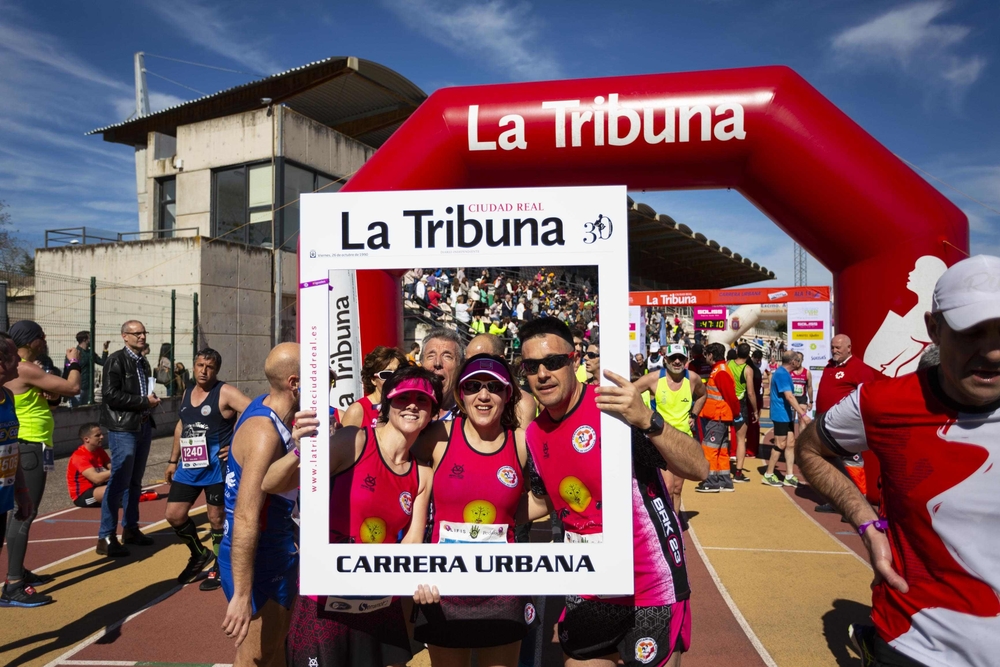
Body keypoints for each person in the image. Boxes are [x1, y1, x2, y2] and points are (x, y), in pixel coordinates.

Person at [797, 254, 1000, 667]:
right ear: (934, 330)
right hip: (915, 645)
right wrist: (868, 524)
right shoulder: (883, 404)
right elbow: (810, 448)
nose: (993, 353)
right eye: (972, 332)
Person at [518, 318, 708, 667]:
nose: (543, 373)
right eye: (532, 366)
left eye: (554, 362)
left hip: (648, 584)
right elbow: (541, 500)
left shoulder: (613, 410)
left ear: (574, 361)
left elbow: (698, 468)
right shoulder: (535, 434)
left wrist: (647, 419)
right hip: (588, 584)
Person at [265, 365, 438, 667]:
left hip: (380, 605)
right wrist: (299, 450)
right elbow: (272, 483)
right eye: (403, 397)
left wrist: (423, 578)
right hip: (326, 603)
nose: (412, 405)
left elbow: (412, 546)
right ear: (388, 402)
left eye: (422, 400)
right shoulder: (354, 441)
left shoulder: (422, 473)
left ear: (432, 412)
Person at [412, 354, 535, 667]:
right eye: (473, 386)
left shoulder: (521, 442)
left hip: (502, 588)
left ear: (508, 395)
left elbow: (549, 497)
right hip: (443, 587)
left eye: (494, 386)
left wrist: (504, 521)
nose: (483, 395)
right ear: (460, 394)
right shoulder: (437, 436)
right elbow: (391, 466)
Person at [219, 343, 301, 667]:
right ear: (294, 383)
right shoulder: (264, 432)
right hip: (260, 555)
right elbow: (246, 513)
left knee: (278, 650)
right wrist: (242, 593)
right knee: (256, 657)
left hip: (277, 549)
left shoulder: (266, 408)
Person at [3, 320, 80, 605]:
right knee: (25, 512)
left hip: (30, 444)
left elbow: (50, 400)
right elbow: (73, 388)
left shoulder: (21, 369)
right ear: (29, 340)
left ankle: (17, 571)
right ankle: (12, 584)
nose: (44, 340)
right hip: (29, 445)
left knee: (19, 512)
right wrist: (74, 362)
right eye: (40, 336)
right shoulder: (24, 367)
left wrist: (52, 394)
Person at [165, 348, 251, 590]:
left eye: (209, 367)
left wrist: (235, 441)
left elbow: (253, 410)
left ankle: (220, 566)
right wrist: (173, 460)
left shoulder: (224, 392)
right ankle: (198, 554)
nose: (204, 371)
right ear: (194, 366)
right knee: (174, 514)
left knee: (216, 519)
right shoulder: (187, 392)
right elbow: (182, 426)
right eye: (200, 365)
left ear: (216, 370)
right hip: (189, 466)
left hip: (217, 468)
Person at [97, 320, 160, 558]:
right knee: (119, 480)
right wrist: (144, 402)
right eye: (137, 333)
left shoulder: (142, 362)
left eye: (144, 332)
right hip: (123, 427)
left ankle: (131, 528)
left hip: (142, 424)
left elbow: (139, 392)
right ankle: (106, 535)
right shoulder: (116, 360)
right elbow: (110, 395)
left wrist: (149, 399)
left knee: (135, 481)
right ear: (125, 336)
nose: (142, 336)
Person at [634, 343, 706, 513]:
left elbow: (703, 394)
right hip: (660, 440)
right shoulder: (653, 379)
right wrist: (644, 416)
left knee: (677, 489)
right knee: (667, 486)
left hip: (683, 440)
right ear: (665, 359)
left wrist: (694, 415)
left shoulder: (693, 379)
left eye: (680, 358)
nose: (676, 361)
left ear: (686, 360)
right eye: (673, 358)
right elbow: (631, 391)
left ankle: (675, 523)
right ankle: (667, 525)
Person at [0, 332, 44, 607]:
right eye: (14, 355)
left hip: (3, 498)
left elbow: (10, 446)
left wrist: (22, 492)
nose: (19, 360)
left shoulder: (7, 396)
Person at [812, 334, 878, 514]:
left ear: (849, 348)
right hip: (825, 427)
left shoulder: (860, 369)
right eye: (833, 347)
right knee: (831, 465)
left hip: (847, 428)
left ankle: (857, 506)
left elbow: (868, 397)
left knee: (852, 462)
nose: (834, 351)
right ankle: (836, 502)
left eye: (838, 347)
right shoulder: (829, 366)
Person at [695, 343, 740, 493]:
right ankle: (724, 480)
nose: (705, 357)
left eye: (706, 354)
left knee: (709, 449)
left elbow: (730, 396)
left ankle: (710, 481)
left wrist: (736, 413)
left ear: (711, 355)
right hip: (719, 416)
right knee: (720, 450)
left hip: (717, 416)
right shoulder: (719, 369)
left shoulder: (720, 371)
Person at [761, 351, 811, 488]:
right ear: (793, 362)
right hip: (780, 414)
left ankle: (789, 475)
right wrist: (803, 414)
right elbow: (789, 396)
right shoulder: (782, 374)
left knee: (790, 443)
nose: (800, 363)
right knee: (780, 444)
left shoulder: (784, 373)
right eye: (798, 360)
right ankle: (769, 474)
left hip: (786, 413)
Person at [342, 346, 408, 429]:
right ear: (373, 380)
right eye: (386, 374)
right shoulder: (357, 410)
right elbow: (344, 441)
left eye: (399, 373)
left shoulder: (408, 406)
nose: (394, 378)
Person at [727, 343, 757, 483]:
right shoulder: (748, 370)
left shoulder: (728, 364)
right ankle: (738, 473)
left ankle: (719, 469)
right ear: (749, 354)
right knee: (740, 439)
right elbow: (750, 393)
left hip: (727, 403)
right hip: (740, 405)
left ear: (737, 351)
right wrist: (755, 410)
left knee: (722, 436)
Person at [421, 328, 464, 421]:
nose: (437, 363)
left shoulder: (468, 417)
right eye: (431, 356)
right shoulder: (406, 413)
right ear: (421, 364)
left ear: (460, 366)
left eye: (447, 356)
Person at [67, 423, 111, 508]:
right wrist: (118, 469)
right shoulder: (79, 456)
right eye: (97, 435)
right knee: (114, 489)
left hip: (98, 487)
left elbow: (111, 466)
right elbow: (96, 479)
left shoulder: (99, 451)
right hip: (83, 495)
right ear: (87, 439)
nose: (102, 437)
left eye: (101, 434)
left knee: (124, 484)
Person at [66, 330, 108, 407]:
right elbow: (67, 369)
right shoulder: (74, 353)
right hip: (78, 387)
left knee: (85, 410)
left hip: (88, 387)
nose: (92, 340)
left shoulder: (90, 352)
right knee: (75, 410)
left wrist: (105, 350)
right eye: (90, 338)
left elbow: (103, 362)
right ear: (84, 339)